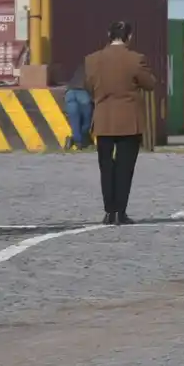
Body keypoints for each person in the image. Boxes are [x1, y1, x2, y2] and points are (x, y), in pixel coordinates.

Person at [83, 21, 157, 225]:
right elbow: (149, 84)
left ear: (108, 34)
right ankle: (120, 213)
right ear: (129, 37)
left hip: (103, 119)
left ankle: (108, 212)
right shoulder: (135, 59)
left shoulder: (92, 60)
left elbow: (88, 86)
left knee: (105, 167)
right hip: (129, 120)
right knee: (125, 167)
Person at [64, 60, 93, 151]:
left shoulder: (81, 67)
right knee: (86, 121)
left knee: (74, 121)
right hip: (82, 92)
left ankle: (76, 141)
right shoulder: (96, 68)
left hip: (70, 92)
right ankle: (80, 140)